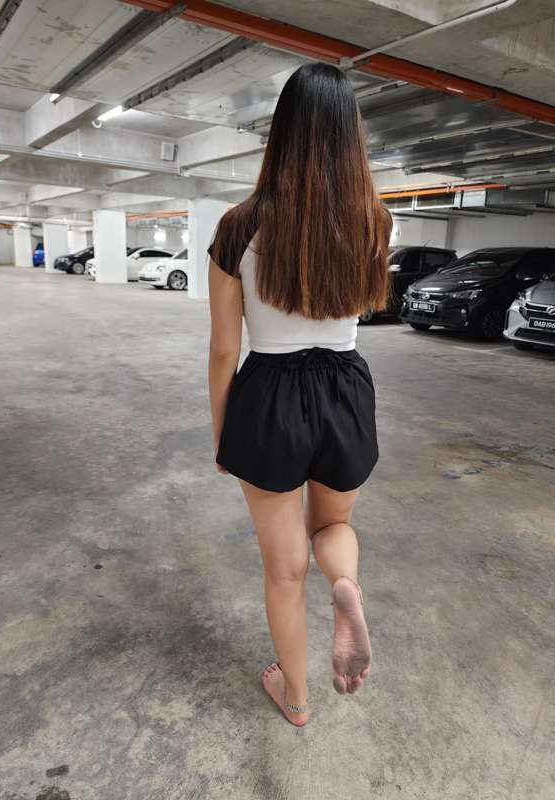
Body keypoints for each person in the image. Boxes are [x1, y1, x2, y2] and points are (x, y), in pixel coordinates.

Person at [207, 62, 392, 727]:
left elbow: (224, 351)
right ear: (350, 133)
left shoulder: (239, 226)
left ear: (281, 131)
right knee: (332, 527)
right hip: (345, 390)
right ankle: (344, 584)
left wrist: (224, 435)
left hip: (269, 396)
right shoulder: (375, 222)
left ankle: (297, 698)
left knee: (284, 569)